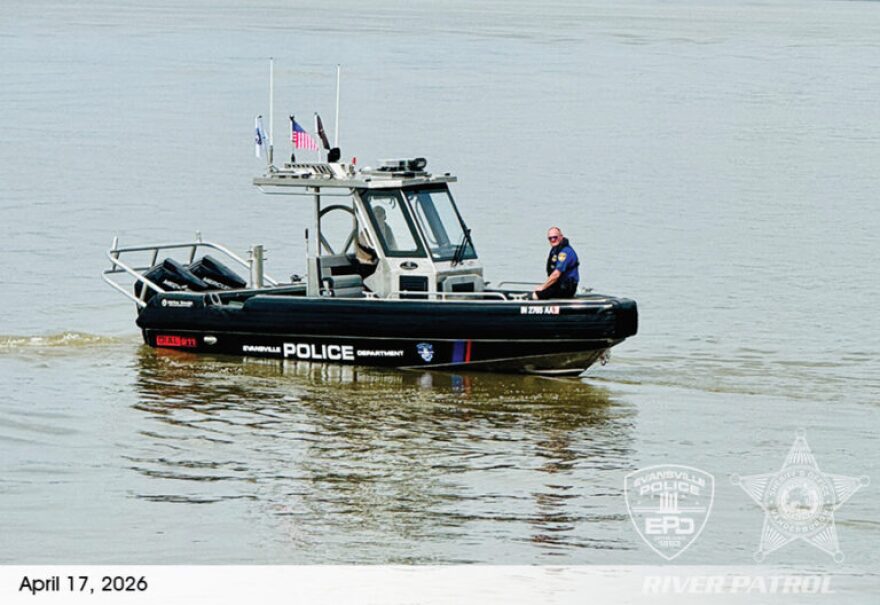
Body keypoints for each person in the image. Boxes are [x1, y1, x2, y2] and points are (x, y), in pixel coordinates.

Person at [533, 227, 580, 299]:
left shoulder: (565, 252)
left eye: (555, 237)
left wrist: (543, 286)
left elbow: (556, 274)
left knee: (536, 295)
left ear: (561, 237)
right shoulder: (555, 250)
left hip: (566, 288)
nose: (552, 239)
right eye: (550, 238)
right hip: (558, 285)